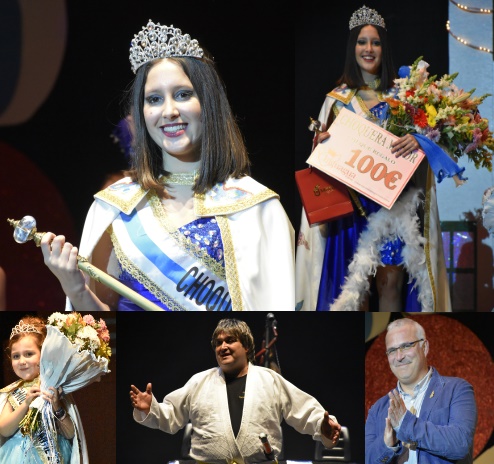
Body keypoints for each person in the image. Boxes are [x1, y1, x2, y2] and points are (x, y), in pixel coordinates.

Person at [40, 20, 295, 311]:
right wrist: (75, 289)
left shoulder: (258, 207)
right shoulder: (113, 206)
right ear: (142, 112)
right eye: (154, 99)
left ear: (208, 103)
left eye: (183, 94)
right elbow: (100, 327)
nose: (169, 111)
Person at [295, 5, 452, 311]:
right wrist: (321, 146)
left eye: (376, 42)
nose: (369, 49)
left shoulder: (406, 97)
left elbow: (427, 146)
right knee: (357, 286)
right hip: (351, 206)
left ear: (384, 48)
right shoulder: (337, 99)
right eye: (362, 42)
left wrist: (418, 141)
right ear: (352, 48)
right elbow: (320, 157)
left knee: (390, 282)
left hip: (393, 205)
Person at [129, 318, 341, 462]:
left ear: (247, 347)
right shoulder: (199, 382)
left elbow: (305, 410)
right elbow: (171, 415)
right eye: (218, 343)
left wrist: (322, 426)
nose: (223, 347)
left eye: (230, 340)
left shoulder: (270, 380)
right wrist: (151, 409)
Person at [365, 317, 477, 463]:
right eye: (392, 350)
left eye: (406, 346)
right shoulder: (378, 409)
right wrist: (387, 445)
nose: (399, 357)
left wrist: (405, 424)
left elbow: (460, 444)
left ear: (424, 347)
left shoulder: (457, 389)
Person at [0, 316, 85, 463]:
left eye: (29, 354)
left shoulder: (55, 388)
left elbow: (70, 433)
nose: (22, 361)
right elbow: (4, 430)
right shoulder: (11, 392)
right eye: (16, 356)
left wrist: (57, 407)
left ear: (43, 354)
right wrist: (25, 404)